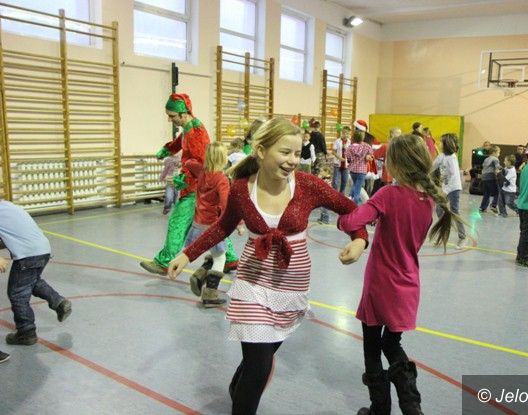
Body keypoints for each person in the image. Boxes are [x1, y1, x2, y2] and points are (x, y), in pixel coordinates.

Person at [167, 117, 368, 415]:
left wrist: (360, 239)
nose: (293, 160)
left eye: (296, 153)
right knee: (260, 365)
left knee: (257, 359)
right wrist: (188, 254)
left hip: (291, 286)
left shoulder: (308, 185)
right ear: (261, 151)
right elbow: (222, 226)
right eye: (285, 152)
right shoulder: (240, 190)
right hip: (253, 281)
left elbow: (351, 210)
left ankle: (237, 390)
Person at [337, 134, 462, 415]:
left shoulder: (389, 195)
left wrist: (342, 218)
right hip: (408, 284)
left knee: (372, 346)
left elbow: (352, 221)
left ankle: (379, 409)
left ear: (395, 163)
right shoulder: (428, 199)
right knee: (392, 343)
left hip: (381, 283)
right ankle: (412, 406)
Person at [139, 93, 210, 275]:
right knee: (211, 226)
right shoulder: (188, 129)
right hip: (197, 187)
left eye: (172, 116)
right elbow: (179, 142)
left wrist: (182, 180)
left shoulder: (196, 133)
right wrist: (167, 149)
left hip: (196, 188)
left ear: (183, 114)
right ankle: (230, 259)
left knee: (177, 222)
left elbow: (200, 163)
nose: (170, 120)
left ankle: (164, 262)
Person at [0, 200, 72, 346]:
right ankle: (58, 302)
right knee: (31, 282)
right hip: (43, 249)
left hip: (28, 254)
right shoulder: (8, 207)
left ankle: (26, 333)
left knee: (17, 293)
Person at [183, 142, 239, 307]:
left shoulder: (201, 172)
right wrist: (238, 222)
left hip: (198, 223)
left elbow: (189, 162)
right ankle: (210, 294)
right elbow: (226, 204)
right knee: (221, 258)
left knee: (214, 254)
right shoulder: (222, 179)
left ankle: (199, 276)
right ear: (223, 158)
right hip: (212, 226)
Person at [432, 133, 467, 248]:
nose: (439, 144)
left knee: (454, 211)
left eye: (441, 142)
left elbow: (454, 177)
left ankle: (462, 237)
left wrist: (445, 191)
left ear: (446, 144)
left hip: (454, 188)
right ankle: (444, 232)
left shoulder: (452, 158)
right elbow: (432, 166)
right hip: (446, 188)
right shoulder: (441, 156)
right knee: (439, 209)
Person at [346, 120, 374, 205]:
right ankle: (354, 204)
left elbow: (348, 158)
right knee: (357, 188)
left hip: (353, 170)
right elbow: (371, 156)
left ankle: (350, 197)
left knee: (355, 186)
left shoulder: (350, 147)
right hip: (362, 171)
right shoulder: (367, 146)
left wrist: (352, 160)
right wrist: (368, 157)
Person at [479, 145, 501, 214]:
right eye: (498, 152)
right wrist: (502, 170)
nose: (499, 154)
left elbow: (483, 167)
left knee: (487, 193)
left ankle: (482, 207)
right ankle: (493, 205)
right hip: (491, 177)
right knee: (497, 192)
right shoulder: (495, 159)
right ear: (494, 152)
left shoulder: (486, 159)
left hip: (484, 178)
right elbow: (498, 167)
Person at [332, 125, 351, 194]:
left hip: (346, 164)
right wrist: (339, 158)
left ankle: (341, 194)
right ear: (342, 133)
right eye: (344, 133)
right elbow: (333, 151)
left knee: (345, 180)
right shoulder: (337, 141)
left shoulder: (350, 142)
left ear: (349, 134)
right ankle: (334, 194)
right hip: (337, 163)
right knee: (335, 181)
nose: (345, 135)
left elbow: (351, 153)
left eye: (347, 133)